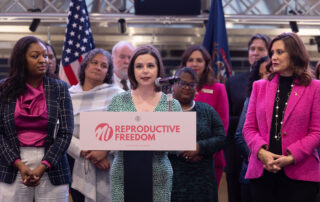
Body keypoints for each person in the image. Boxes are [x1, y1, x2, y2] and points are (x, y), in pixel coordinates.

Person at [243, 32, 320, 202]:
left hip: (300, 175)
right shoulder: (259, 86)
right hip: (262, 172)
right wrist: (262, 154)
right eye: (272, 53)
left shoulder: (315, 88)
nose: (273, 58)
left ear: (294, 54)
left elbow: (317, 132)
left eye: (280, 52)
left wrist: (292, 157)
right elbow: (248, 128)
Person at [0, 36, 73, 201]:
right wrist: (18, 163)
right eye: (35, 56)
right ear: (21, 60)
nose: (43, 60)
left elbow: (66, 132)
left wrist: (43, 166)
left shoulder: (60, 88)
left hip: (52, 164)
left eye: (46, 55)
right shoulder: (4, 88)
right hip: (11, 165)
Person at [107, 45, 182, 202]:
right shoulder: (118, 100)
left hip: (159, 174)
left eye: (150, 66)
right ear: (132, 70)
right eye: (139, 66)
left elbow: (178, 147)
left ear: (158, 69)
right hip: (123, 172)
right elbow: (108, 139)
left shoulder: (171, 103)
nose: (145, 71)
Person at [67, 48, 123, 202]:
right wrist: (87, 152)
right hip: (76, 163)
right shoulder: (69, 95)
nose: (98, 67)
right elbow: (61, 131)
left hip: (111, 165)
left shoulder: (118, 95)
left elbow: (126, 128)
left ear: (108, 72)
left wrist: (104, 149)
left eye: (104, 66)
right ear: (85, 66)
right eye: (94, 63)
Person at [225, 33, 270, 202]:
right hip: (237, 150)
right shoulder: (233, 82)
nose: (255, 52)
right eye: (252, 49)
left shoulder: (278, 85)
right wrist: (248, 121)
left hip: (264, 152)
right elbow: (226, 118)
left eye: (261, 49)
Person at [169, 67, 226, 202]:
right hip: (172, 181)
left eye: (191, 84)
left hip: (203, 182)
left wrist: (199, 147)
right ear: (173, 85)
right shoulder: (164, 111)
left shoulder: (207, 111)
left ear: (196, 88)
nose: (187, 87)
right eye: (182, 83)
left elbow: (221, 138)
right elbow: (154, 141)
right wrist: (180, 150)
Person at [180, 44, 228, 187]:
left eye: (199, 60)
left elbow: (223, 125)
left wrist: (201, 149)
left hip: (210, 158)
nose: (195, 64)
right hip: (179, 158)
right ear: (185, 63)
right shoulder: (174, 89)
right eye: (191, 60)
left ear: (206, 63)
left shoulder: (218, 88)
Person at [234, 56, 270, 202]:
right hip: (253, 171)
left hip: (283, 172)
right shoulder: (251, 99)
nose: (264, 78)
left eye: (268, 73)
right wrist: (262, 156)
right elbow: (240, 136)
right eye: (260, 75)